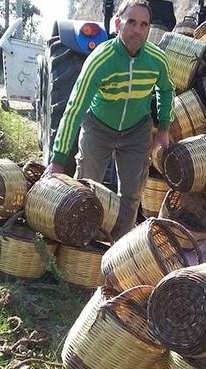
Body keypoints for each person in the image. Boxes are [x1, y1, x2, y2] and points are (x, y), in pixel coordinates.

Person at [46, 0, 174, 240]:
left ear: (149, 29)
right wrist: (58, 160)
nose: (137, 29)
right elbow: (74, 109)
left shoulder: (157, 59)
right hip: (98, 128)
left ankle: (117, 248)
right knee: (86, 188)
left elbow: (167, 89)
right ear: (117, 23)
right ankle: (81, 242)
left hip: (137, 130)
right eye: (131, 22)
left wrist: (164, 128)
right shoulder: (100, 60)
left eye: (144, 24)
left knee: (131, 196)